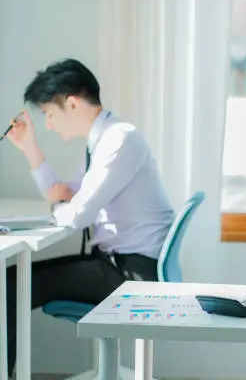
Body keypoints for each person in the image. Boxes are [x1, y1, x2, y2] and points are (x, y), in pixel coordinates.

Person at [5, 58, 175, 375]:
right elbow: (60, 193)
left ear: (71, 104)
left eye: (49, 115)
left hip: (130, 276)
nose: (49, 125)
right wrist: (30, 148)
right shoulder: (106, 141)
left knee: (8, 288)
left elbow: (74, 216)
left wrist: (62, 205)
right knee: (9, 283)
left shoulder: (119, 141)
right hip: (117, 265)